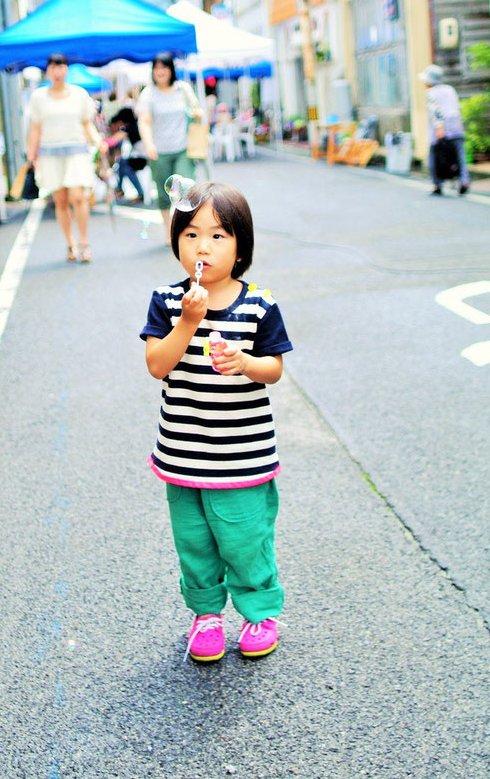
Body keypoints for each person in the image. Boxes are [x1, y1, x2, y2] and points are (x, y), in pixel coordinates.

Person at [140, 181, 293, 662]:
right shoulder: (168, 302)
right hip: (183, 454)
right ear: (176, 242)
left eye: (218, 236)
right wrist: (187, 323)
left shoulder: (259, 304)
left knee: (245, 540)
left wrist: (246, 362)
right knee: (195, 543)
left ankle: (259, 612)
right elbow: (157, 365)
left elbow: (275, 369)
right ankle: (206, 614)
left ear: (241, 247)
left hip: (242, 458)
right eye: (190, 235)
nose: (202, 246)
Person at [26, 53, 102, 262]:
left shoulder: (79, 94)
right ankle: (70, 243)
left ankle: (84, 242)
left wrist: (97, 141)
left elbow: (87, 123)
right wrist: (31, 154)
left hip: (76, 150)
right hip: (49, 153)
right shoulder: (38, 97)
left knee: (78, 196)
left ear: (66, 69)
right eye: (53, 67)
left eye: (61, 67)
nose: (57, 71)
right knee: (60, 200)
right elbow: (35, 127)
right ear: (48, 71)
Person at [136, 53, 203, 243]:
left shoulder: (183, 89)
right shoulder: (148, 94)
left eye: (164, 67)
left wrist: (197, 113)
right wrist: (148, 144)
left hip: (183, 148)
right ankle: (169, 230)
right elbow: (144, 122)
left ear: (171, 69)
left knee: (188, 191)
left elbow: (196, 109)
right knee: (164, 194)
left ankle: (187, 229)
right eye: (157, 68)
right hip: (159, 151)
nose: (160, 71)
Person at [419, 64, 470, 196]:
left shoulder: (431, 93)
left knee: (434, 158)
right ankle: (463, 181)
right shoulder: (449, 90)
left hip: (440, 131)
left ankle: (437, 184)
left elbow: (435, 112)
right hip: (456, 129)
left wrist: (439, 129)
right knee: (460, 157)